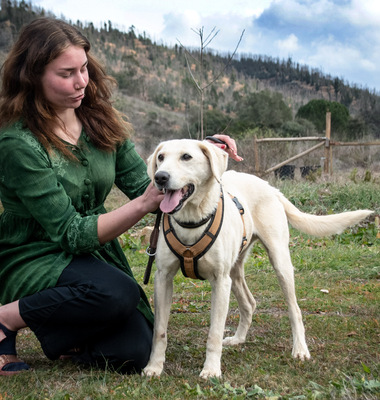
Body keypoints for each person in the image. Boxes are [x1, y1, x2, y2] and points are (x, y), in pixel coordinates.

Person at [0, 18, 242, 376]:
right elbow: (71, 234)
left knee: (134, 352)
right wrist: (144, 204)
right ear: (32, 75)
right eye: (66, 73)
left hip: (91, 253)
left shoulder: (98, 117)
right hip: (33, 251)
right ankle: (6, 318)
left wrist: (203, 155)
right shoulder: (17, 142)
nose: (81, 81)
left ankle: (70, 332)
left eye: (83, 68)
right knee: (118, 293)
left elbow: (142, 180)